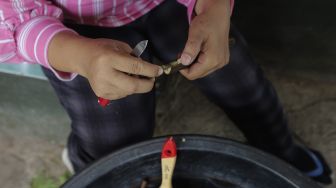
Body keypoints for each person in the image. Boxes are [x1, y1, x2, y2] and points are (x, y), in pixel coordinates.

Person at [0, 0, 332, 184]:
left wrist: (216, 7)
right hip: (70, 34)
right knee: (112, 138)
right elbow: (14, 18)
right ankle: (88, 163)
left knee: (241, 84)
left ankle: (280, 150)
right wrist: (81, 57)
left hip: (171, 4)